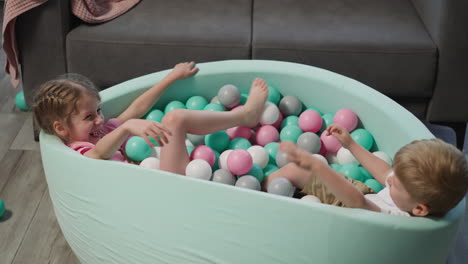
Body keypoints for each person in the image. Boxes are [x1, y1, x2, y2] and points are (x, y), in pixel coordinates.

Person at [32, 61, 269, 175]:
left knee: (174, 119)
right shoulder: (79, 150)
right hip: (163, 190)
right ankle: (245, 115)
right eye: (88, 117)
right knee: (175, 118)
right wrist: (127, 129)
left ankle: (244, 115)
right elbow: (99, 153)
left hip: (166, 175)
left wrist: (171, 77)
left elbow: (135, 109)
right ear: (61, 129)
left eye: (99, 111)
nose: (99, 120)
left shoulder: (102, 132)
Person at [266, 124, 468, 217]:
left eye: (395, 183)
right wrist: (351, 145)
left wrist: (318, 167)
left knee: (293, 170)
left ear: (419, 209)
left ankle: (255, 195)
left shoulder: (398, 216)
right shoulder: (409, 192)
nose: (390, 180)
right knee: (294, 170)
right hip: (363, 193)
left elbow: (357, 202)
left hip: (350, 209)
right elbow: (384, 172)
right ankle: (263, 187)